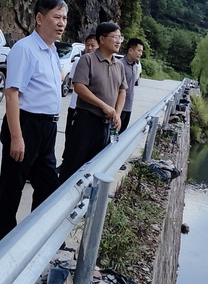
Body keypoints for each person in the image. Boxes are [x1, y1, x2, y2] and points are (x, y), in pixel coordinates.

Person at [0, 0, 68, 241]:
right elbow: (12, 94)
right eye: (56, 17)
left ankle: (34, 235)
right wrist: (17, 137)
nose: (62, 23)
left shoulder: (52, 50)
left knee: (48, 185)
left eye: (64, 18)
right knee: (12, 186)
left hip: (48, 127)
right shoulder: (25, 49)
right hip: (26, 124)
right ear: (39, 18)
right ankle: (5, 238)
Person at [57, 22, 127, 182]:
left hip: (107, 124)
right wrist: (104, 106)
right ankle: (62, 194)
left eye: (120, 38)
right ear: (102, 39)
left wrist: (117, 113)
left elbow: (122, 91)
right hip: (86, 121)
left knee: (96, 166)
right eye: (115, 37)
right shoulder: (87, 60)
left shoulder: (119, 65)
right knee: (73, 164)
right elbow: (79, 87)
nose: (118, 41)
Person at [64, 35, 99, 144]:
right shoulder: (78, 62)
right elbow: (74, 83)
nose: (89, 48)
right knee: (71, 139)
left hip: (91, 110)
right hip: (75, 107)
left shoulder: (101, 65)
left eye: (92, 45)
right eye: (87, 45)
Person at [119, 38, 144, 132]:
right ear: (130, 50)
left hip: (128, 107)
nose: (140, 53)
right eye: (139, 50)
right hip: (119, 108)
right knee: (113, 135)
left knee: (122, 134)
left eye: (141, 51)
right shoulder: (120, 64)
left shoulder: (134, 65)